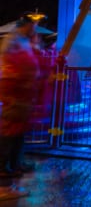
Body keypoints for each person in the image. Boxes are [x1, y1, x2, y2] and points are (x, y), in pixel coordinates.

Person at [0, 13, 43, 200]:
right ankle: (3, 176)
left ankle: (13, 165)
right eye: (32, 26)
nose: (34, 30)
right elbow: (14, 66)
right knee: (10, 132)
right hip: (14, 95)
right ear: (25, 25)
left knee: (17, 132)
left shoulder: (23, 40)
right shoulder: (14, 40)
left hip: (21, 95)